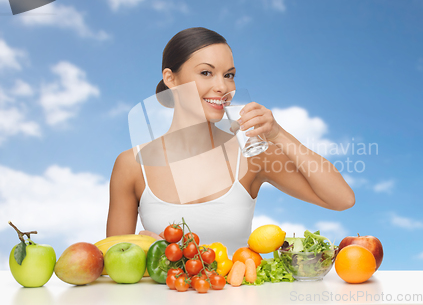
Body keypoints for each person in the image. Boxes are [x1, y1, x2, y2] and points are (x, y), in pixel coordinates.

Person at [106, 27, 355, 255]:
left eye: (229, 75)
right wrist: (148, 250)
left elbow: (342, 199)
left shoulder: (251, 153)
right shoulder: (132, 165)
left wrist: (278, 134)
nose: (222, 86)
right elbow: (114, 261)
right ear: (171, 79)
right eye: (206, 73)